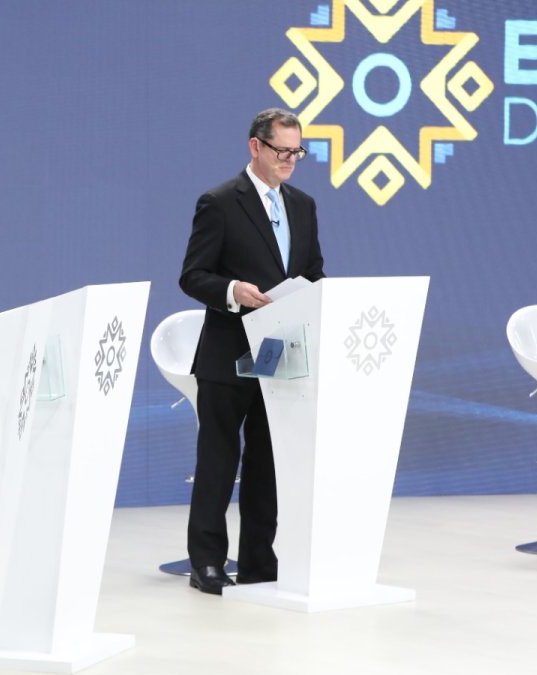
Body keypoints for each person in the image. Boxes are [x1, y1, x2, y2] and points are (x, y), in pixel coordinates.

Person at [178, 108, 325, 594]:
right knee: (219, 460)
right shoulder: (219, 202)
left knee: (268, 462)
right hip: (227, 353)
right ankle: (207, 562)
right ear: (255, 146)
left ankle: (261, 560)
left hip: (280, 355)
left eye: (296, 152)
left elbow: (315, 270)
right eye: (281, 151)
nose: (290, 161)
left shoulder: (303, 205)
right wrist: (233, 290)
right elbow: (193, 276)